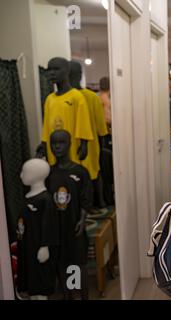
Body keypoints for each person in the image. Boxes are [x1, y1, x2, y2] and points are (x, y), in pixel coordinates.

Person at [47, 129, 93, 300]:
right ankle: (68, 296)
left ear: (69, 144)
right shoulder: (48, 173)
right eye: (54, 143)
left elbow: (86, 198)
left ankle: (83, 296)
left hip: (75, 227)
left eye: (62, 142)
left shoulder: (80, 172)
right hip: (56, 230)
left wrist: (82, 219)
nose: (57, 146)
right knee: (61, 264)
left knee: (78, 264)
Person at [36, 57, 93, 168]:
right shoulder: (49, 99)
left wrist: (84, 143)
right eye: (49, 69)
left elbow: (83, 122)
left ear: (67, 71)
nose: (52, 73)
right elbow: (47, 125)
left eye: (56, 69)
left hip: (72, 149)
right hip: (54, 150)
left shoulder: (76, 96)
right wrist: (44, 144)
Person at [69, 61, 109, 210]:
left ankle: (97, 203)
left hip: (90, 143)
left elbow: (100, 125)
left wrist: (102, 140)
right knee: (87, 175)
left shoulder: (92, 97)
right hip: (73, 145)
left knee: (93, 173)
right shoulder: (61, 98)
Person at [16, 159, 58, 300]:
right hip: (26, 247)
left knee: (40, 285)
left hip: (38, 247)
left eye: (25, 172)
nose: (21, 175)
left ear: (37, 175)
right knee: (31, 284)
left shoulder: (45, 199)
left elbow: (49, 224)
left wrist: (44, 246)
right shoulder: (27, 196)